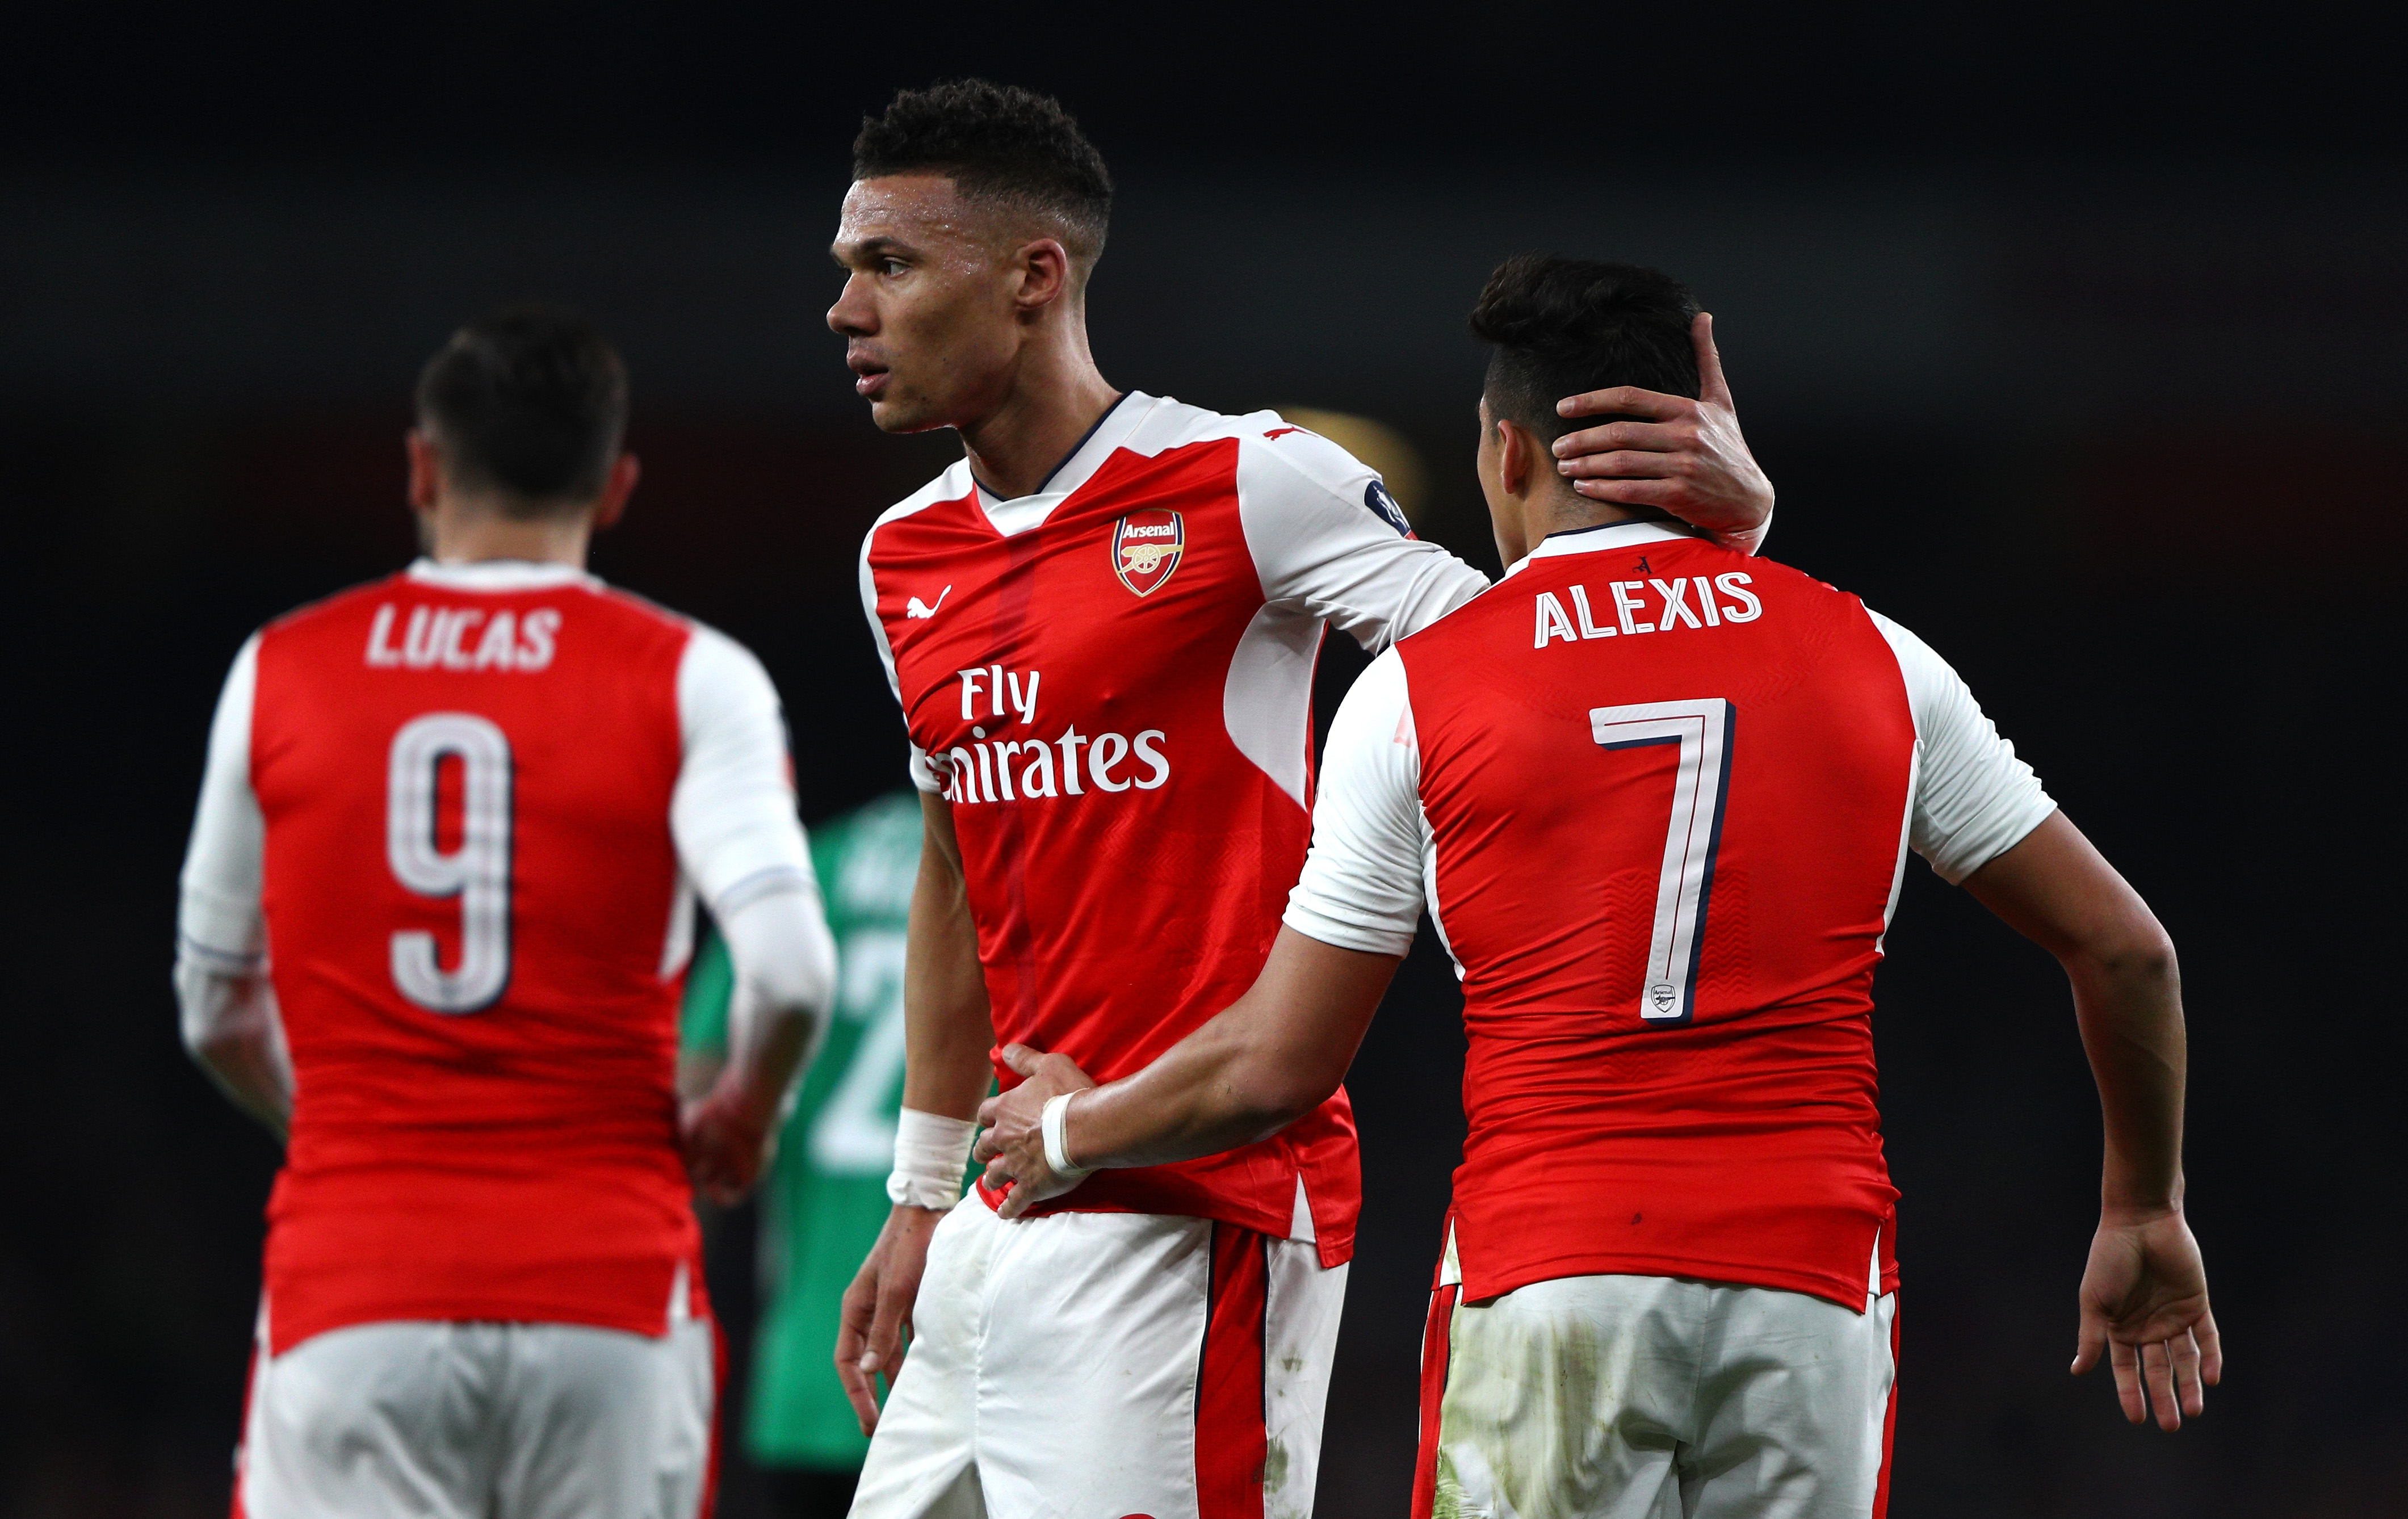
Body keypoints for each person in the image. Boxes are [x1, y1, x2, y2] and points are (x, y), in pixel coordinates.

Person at [976, 256, 2220, 1518]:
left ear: (1506, 451)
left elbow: (1276, 1067)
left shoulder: (1423, 691)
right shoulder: (1876, 659)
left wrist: (1071, 1131)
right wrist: (2143, 1206)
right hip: (1817, 1289)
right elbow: (2131, 954)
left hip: (1551, 1280)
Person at [828, 83, 1776, 1519]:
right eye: (847, 266)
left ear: (1036, 277)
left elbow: (1535, 668)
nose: (845, 307)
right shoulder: (904, 555)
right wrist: (919, 1190)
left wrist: (1737, 536)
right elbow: (957, 870)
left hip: (1194, 1205)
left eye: (887, 265)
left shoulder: (1247, 483)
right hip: (999, 1201)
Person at [174, 306, 837, 1519]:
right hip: (612, 1297)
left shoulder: (282, 667)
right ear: (618, 485)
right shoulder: (694, 675)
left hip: (353, 1287)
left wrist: (344, 1136)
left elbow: (215, 1008)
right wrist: (742, 1116)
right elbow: (792, 976)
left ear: (422, 469)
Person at [680, 791, 925, 1517]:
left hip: (806, 1368)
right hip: (967, 1372)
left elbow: (693, 1110)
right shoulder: (1013, 858)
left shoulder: (807, 872)